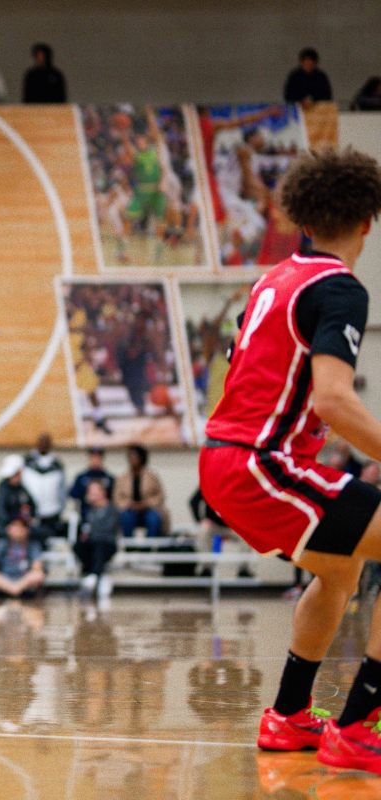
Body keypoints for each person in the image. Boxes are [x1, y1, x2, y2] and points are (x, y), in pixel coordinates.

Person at [197, 147, 381, 771]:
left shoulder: (274, 279)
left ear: (301, 215)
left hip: (228, 459)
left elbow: (244, 369)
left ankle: (289, 715)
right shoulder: (340, 289)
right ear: (367, 221)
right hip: (260, 464)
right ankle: (359, 726)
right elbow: (333, 400)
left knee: (342, 572)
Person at [0, 515, 45, 598]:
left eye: (21, 527)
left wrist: (36, 568)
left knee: (38, 575)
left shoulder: (33, 545)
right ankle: (14, 590)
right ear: (8, 529)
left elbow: (37, 568)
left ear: (27, 530)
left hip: (23, 580)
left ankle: (13, 590)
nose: (18, 530)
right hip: (4, 579)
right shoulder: (1, 544)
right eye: (14, 526)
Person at [114, 444, 169, 537]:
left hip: (149, 509)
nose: (132, 459)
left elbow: (160, 496)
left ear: (142, 458)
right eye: (130, 456)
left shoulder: (152, 477)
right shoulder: (122, 478)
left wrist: (146, 504)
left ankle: (149, 547)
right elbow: (117, 497)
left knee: (153, 519)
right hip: (130, 509)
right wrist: (130, 504)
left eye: (135, 456)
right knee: (126, 517)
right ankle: (130, 547)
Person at [75, 482, 118, 600]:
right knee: (79, 545)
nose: (91, 495)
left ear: (102, 493)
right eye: (90, 492)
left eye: (94, 492)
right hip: (93, 544)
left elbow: (107, 530)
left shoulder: (111, 510)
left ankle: (93, 578)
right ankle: (96, 575)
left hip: (107, 544)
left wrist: (91, 533)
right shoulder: (90, 511)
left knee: (100, 546)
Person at [21, 433, 67, 538]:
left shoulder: (57, 464)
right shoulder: (27, 461)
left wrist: (62, 509)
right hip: (30, 513)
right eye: (41, 442)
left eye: (46, 442)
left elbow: (62, 489)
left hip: (52, 511)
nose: (43, 445)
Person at [0, 454, 36, 540]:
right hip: (5, 532)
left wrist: (24, 526)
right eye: (14, 474)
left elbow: (32, 508)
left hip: (23, 531)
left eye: (17, 474)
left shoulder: (23, 489)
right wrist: (11, 528)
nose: (16, 477)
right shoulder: (3, 489)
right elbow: (0, 513)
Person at [69, 447, 114, 520]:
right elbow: (73, 494)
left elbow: (113, 498)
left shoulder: (109, 478)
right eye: (93, 457)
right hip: (86, 512)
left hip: (105, 514)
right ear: (89, 458)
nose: (95, 460)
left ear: (102, 458)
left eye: (98, 457)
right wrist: (87, 496)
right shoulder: (81, 477)